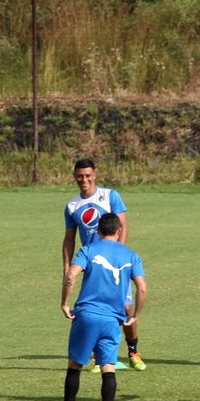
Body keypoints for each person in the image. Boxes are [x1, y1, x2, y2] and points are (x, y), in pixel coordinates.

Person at [54, 214, 146, 401]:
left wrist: (65, 302)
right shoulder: (132, 256)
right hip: (113, 319)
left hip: (87, 315)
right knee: (108, 367)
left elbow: (71, 275)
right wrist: (135, 315)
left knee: (75, 364)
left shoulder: (89, 250)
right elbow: (142, 289)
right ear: (119, 230)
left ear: (98, 231)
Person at [62, 158, 144, 371]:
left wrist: (118, 252)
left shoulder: (110, 196)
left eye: (88, 175)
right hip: (91, 264)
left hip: (116, 264)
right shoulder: (72, 206)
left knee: (125, 307)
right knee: (90, 307)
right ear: (75, 177)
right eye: (80, 176)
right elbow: (69, 239)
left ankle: (133, 350)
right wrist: (67, 268)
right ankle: (99, 356)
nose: (84, 179)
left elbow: (123, 226)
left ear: (95, 174)